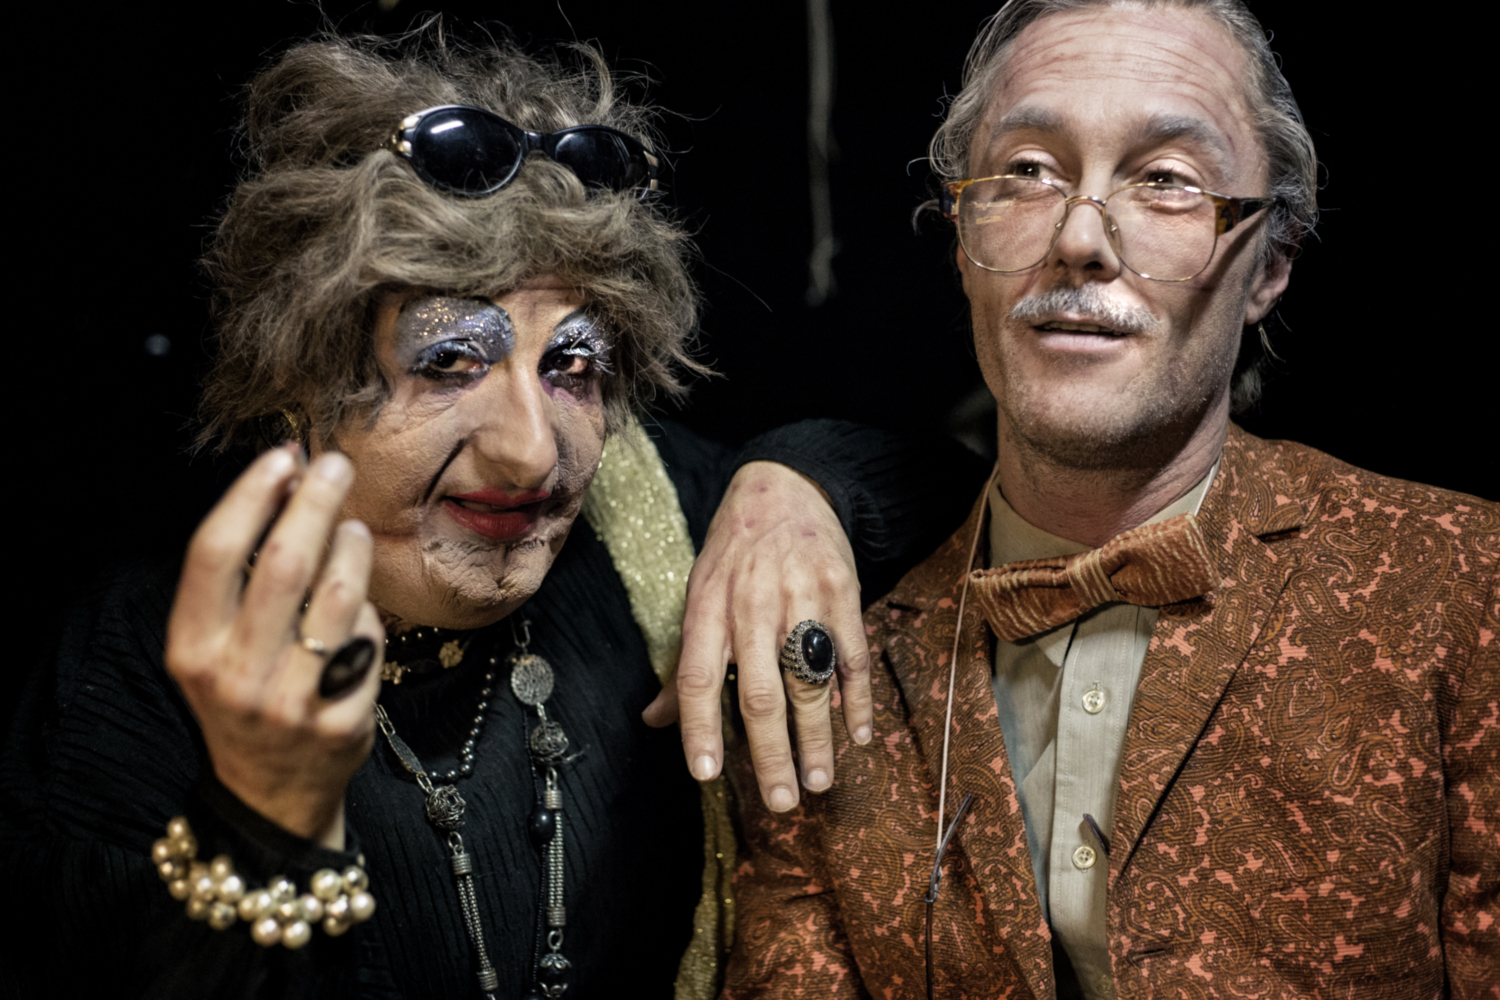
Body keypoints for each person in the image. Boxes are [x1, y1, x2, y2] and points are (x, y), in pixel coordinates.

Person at [0, 29, 978, 1000]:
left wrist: (791, 488)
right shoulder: (131, 669)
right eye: (450, 361)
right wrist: (263, 818)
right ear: (302, 389)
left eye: (575, 366)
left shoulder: (644, 517)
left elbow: (960, 481)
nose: (533, 449)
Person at [723, 1, 1499, 997]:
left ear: (1270, 261)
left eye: (1168, 180)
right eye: (1028, 172)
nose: (1080, 236)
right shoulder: (831, 643)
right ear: (961, 235)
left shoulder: (1463, 589)